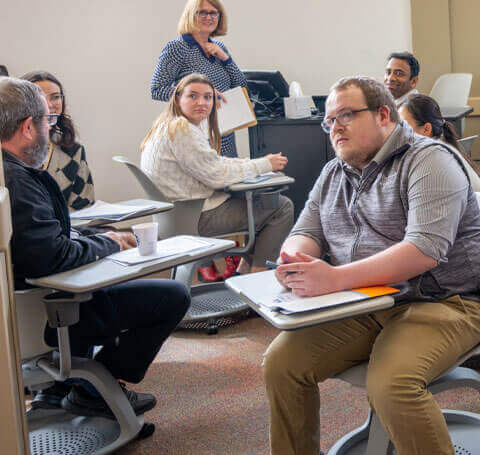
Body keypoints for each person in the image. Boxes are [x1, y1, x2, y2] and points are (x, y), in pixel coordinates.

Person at [262, 76, 480, 455]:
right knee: (281, 364)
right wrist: (294, 259)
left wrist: (335, 278)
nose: (335, 128)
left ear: (383, 115)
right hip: (364, 301)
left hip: (443, 303)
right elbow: (306, 230)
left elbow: (424, 250)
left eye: (346, 115)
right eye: (329, 121)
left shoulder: (429, 159)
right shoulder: (334, 172)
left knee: (391, 385)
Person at [2, 77, 191, 418]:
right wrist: (109, 242)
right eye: (48, 120)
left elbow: (41, 240)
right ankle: (94, 390)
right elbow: (51, 256)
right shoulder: (17, 183)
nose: (51, 127)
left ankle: (63, 387)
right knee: (173, 295)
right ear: (28, 127)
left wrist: (94, 239)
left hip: (22, 306)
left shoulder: (9, 175)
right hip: (45, 314)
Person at [141, 74, 294, 282]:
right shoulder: (182, 130)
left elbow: (213, 162)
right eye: (193, 96)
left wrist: (256, 163)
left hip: (177, 216)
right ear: (178, 98)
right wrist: (265, 165)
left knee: (259, 204)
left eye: (208, 97)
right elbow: (217, 176)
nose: (202, 103)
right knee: (280, 207)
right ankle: (257, 278)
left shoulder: (167, 125)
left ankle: (243, 274)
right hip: (196, 216)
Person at [150, 0, 247, 157]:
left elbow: (241, 86)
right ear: (191, 15)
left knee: (229, 172)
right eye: (202, 12)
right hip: (194, 133)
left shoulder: (220, 48)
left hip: (224, 135)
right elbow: (157, 89)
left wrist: (226, 59)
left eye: (213, 13)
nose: (209, 17)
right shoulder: (177, 48)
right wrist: (201, 95)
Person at [21, 71, 94, 210]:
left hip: (65, 223)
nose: (49, 105)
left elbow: (83, 206)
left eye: (55, 97)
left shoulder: (72, 149)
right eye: (40, 97)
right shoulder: (9, 147)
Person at [400, 93, 480, 192]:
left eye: (404, 126)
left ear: (426, 129)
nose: (399, 133)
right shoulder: (439, 146)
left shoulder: (433, 156)